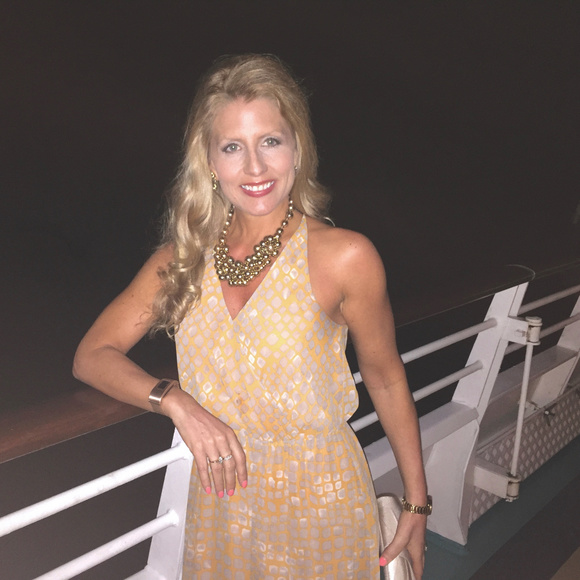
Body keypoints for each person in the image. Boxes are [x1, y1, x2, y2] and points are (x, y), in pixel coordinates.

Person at [73, 54, 429, 579]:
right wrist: (177, 403)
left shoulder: (345, 255)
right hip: (221, 501)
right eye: (233, 147)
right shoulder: (181, 260)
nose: (255, 167)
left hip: (321, 502)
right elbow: (92, 356)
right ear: (209, 161)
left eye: (270, 141)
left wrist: (417, 503)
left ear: (297, 149)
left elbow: (385, 376)